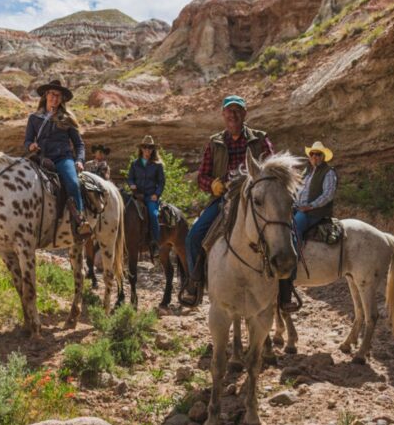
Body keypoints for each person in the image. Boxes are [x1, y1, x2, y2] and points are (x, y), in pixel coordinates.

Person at [179, 95, 275, 307]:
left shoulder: (259, 140)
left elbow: (272, 169)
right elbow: (201, 177)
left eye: (238, 110)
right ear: (223, 114)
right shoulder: (214, 143)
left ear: (245, 113)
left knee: (283, 232)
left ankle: (285, 288)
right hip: (223, 198)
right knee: (193, 238)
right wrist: (212, 184)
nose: (234, 115)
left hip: (254, 198)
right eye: (229, 111)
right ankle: (194, 284)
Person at [24, 79, 91, 238]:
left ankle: (80, 220)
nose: (55, 98)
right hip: (41, 159)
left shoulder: (67, 118)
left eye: (58, 96)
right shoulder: (34, 118)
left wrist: (79, 160)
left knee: (73, 183)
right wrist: (30, 146)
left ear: (61, 99)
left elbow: (79, 144)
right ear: (46, 95)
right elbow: (27, 140)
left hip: (62, 159)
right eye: (52, 94)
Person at [279, 141, 338, 313]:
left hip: (315, 213)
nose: (314, 157)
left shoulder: (329, 173)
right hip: (301, 209)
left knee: (292, 230)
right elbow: (298, 193)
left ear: (323, 156)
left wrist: (310, 206)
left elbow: (328, 194)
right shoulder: (308, 173)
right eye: (312, 154)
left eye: (318, 154)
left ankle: (291, 264)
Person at [127, 135, 165, 256]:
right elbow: (130, 178)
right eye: (145, 147)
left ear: (153, 150)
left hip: (150, 196)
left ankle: (155, 243)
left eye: (150, 148)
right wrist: (132, 184)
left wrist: (156, 194)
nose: (147, 150)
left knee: (153, 215)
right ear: (141, 149)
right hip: (136, 195)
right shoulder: (135, 164)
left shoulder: (157, 165)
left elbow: (161, 182)